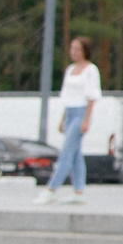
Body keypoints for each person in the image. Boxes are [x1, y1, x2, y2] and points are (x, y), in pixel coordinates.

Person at [37, 38, 99, 205]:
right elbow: (67, 96)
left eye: (77, 49)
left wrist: (86, 120)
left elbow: (92, 97)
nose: (73, 52)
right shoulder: (70, 69)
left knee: (66, 152)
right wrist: (63, 118)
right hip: (70, 112)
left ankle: (51, 189)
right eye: (72, 48)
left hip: (81, 112)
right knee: (76, 155)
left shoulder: (91, 70)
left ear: (85, 50)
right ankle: (79, 191)